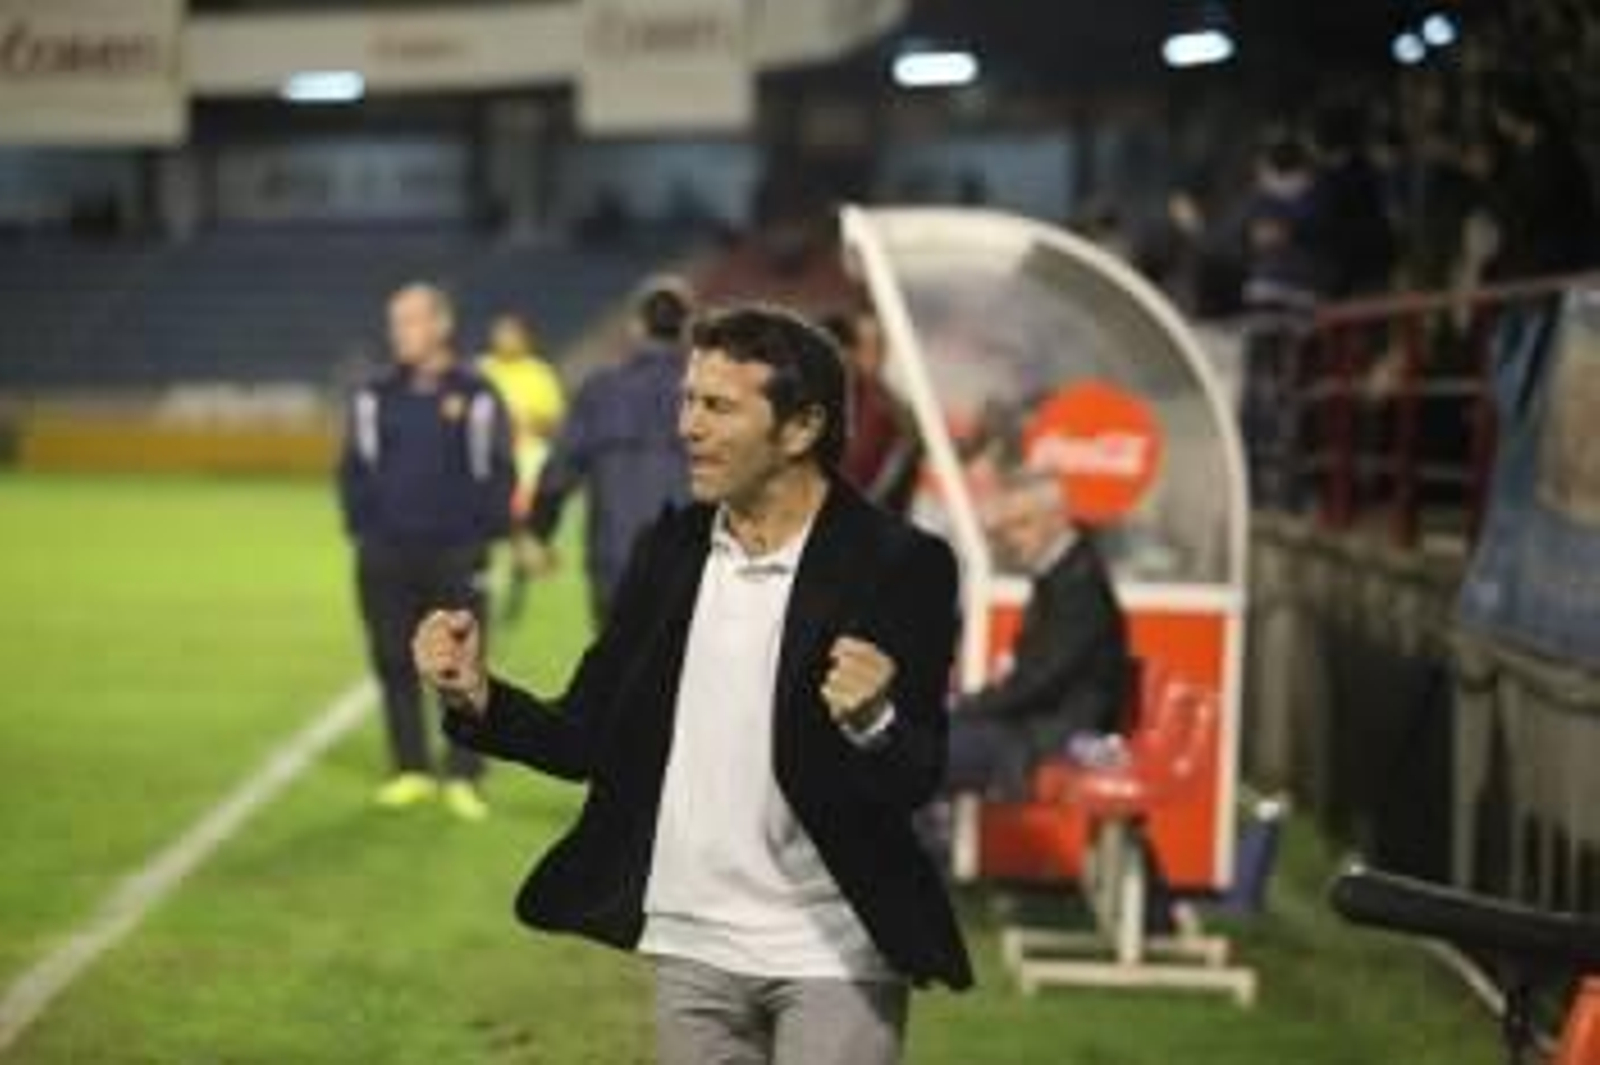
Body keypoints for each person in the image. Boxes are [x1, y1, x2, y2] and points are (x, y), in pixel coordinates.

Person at [413, 305, 973, 1065]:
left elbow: (918, 772)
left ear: (801, 427)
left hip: (832, 950)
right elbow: (587, 733)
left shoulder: (900, 564)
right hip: (693, 941)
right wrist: (474, 694)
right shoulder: (671, 549)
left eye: (717, 406)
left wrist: (874, 718)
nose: (687, 426)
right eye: (687, 400)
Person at [338, 282, 515, 821]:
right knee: (392, 660)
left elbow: (497, 470)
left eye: (411, 321)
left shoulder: (478, 392)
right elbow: (353, 471)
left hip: (455, 554)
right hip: (386, 554)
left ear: (441, 324)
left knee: (459, 667)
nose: (401, 333)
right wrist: (368, 531)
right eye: (396, 322)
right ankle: (410, 768)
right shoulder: (373, 394)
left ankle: (464, 774)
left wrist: (478, 539)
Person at [947, 470, 1132, 797]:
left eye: (1023, 524)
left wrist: (965, 708)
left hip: (1057, 734)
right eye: (1007, 527)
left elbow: (1039, 682)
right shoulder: (1061, 573)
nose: (1012, 537)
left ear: (1056, 519)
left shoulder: (1079, 586)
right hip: (1036, 724)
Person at [522, 278, 693, 624]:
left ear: (636, 326)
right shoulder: (711, 390)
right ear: (687, 327)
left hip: (615, 558)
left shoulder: (601, 389)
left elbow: (560, 470)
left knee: (621, 669)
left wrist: (539, 529)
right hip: (692, 559)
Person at [476, 312, 567, 623]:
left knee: (526, 509)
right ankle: (518, 557)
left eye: (512, 333)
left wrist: (528, 422)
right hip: (488, 458)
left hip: (529, 458)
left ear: (525, 338)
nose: (506, 340)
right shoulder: (481, 371)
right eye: (502, 333)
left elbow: (554, 421)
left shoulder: (539, 373)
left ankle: (525, 556)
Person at [826, 309, 918, 511]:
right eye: (863, 346)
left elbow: (891, 480)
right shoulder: (830, 399)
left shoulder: (896, 414)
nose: (869, 355)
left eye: (877, 346)